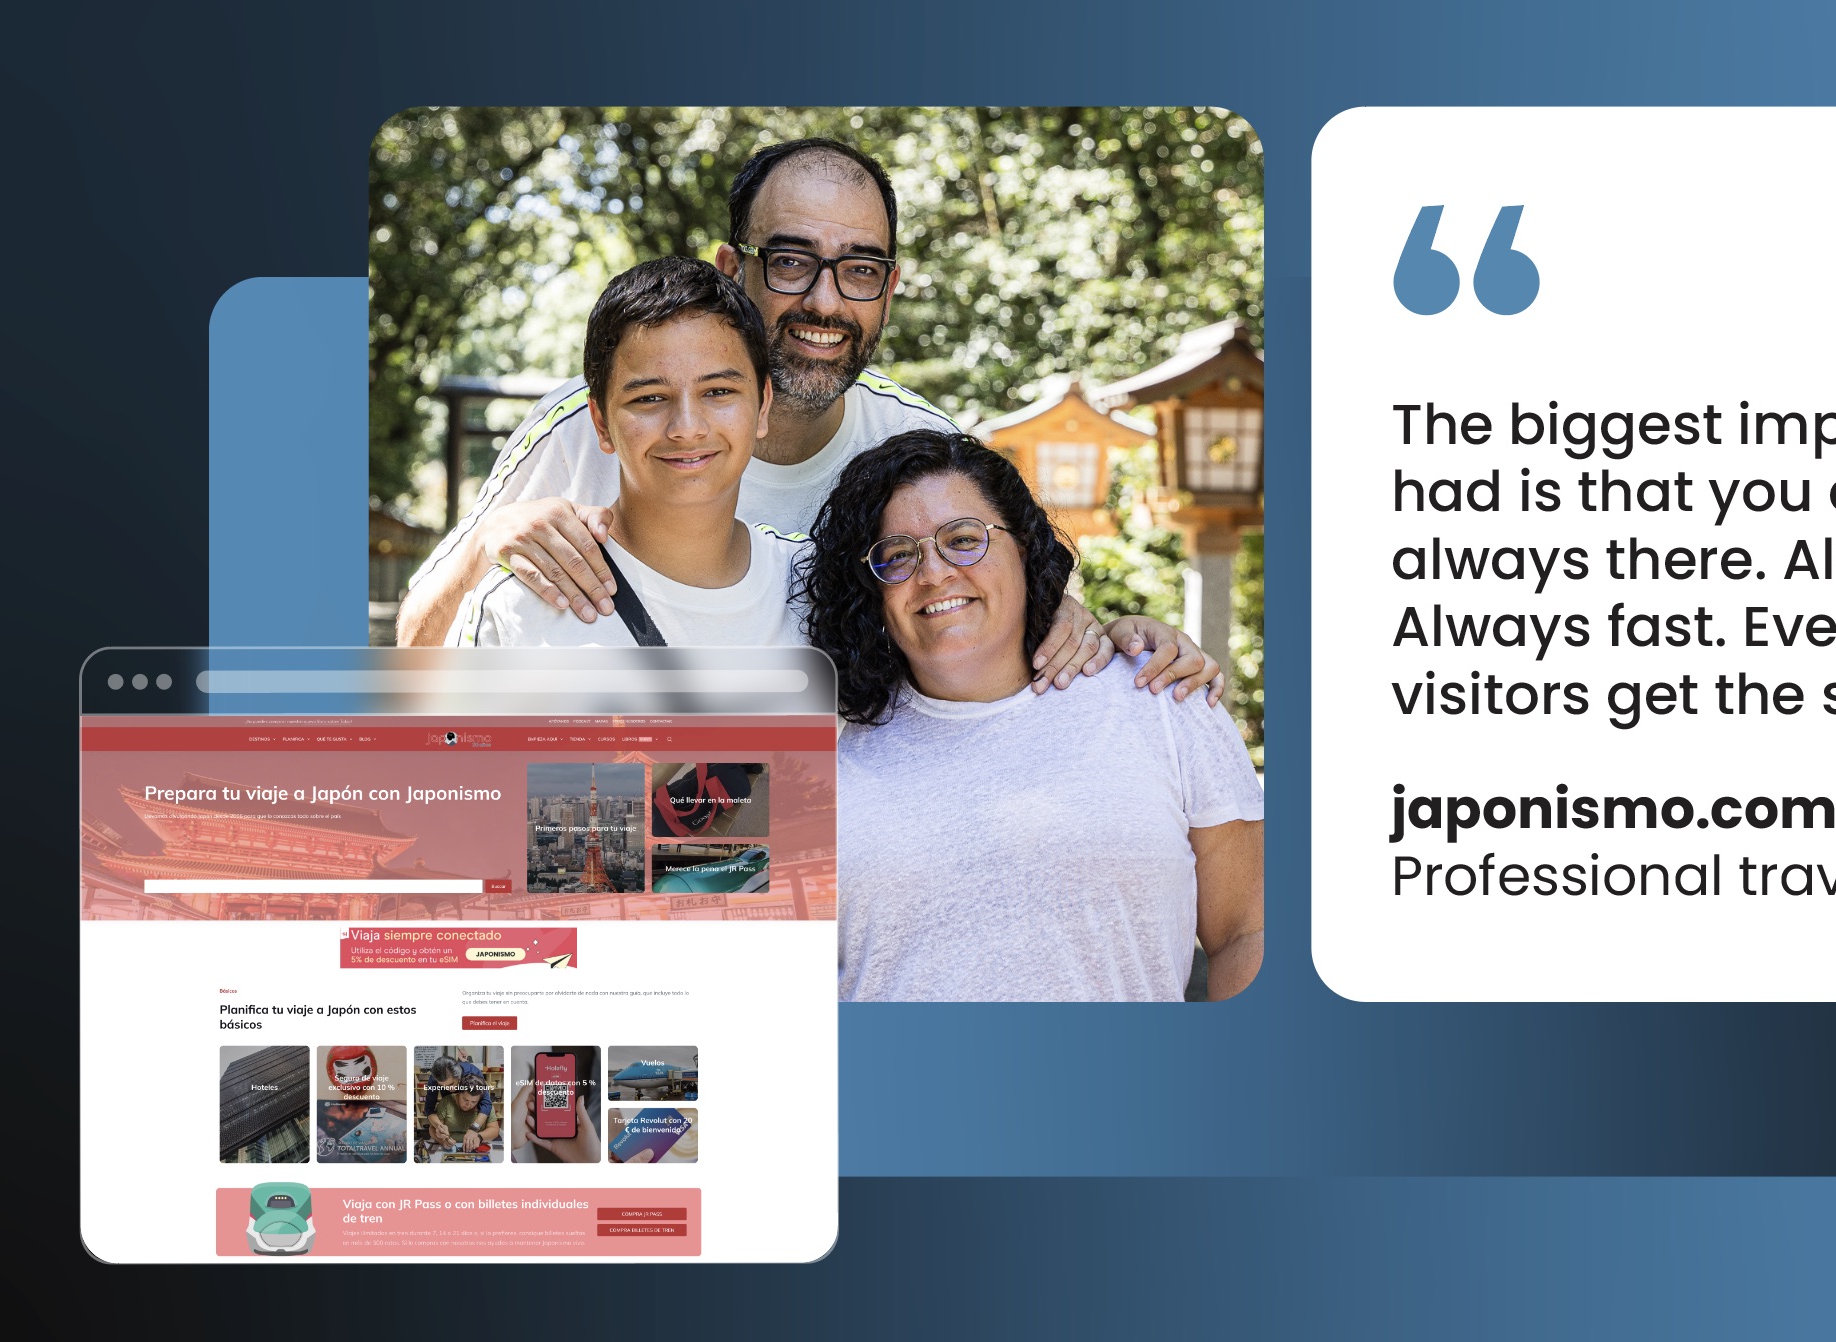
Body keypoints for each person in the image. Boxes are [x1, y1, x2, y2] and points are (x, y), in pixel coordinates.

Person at [397, 137, 1215, 695]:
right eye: (791, 262)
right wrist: (491, 542)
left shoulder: (920, 453)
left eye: (859, 270)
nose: (824, 302)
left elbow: (1034, 625)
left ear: (890, 288)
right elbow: (415, 659)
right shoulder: (585, 421)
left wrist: (1123, 640)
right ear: (730, 267)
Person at [806, 431, 1264, 1002]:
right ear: (871, 590)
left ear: (1023, 546)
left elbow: (1248, 928)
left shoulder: (1161, 696)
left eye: (963, 539)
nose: (934, 573)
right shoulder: (825, 750)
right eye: (898, 555)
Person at [447, 256, 803, 647]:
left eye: (718, 392)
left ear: (763, 405)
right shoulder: (521, 606)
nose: (686, 427)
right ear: (601, 422)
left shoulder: (813, 589)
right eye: (650, 398)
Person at [419, 1054, 500, 1160]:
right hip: (450, 1106)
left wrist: (474, 1129)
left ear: (459, 1077)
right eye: (442, 1086)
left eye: (450, 1084)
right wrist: (439, 1126)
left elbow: (486, 1103)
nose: (447, 1089)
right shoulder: (435, 1080)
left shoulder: (474, 1073)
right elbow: (429, 1108)